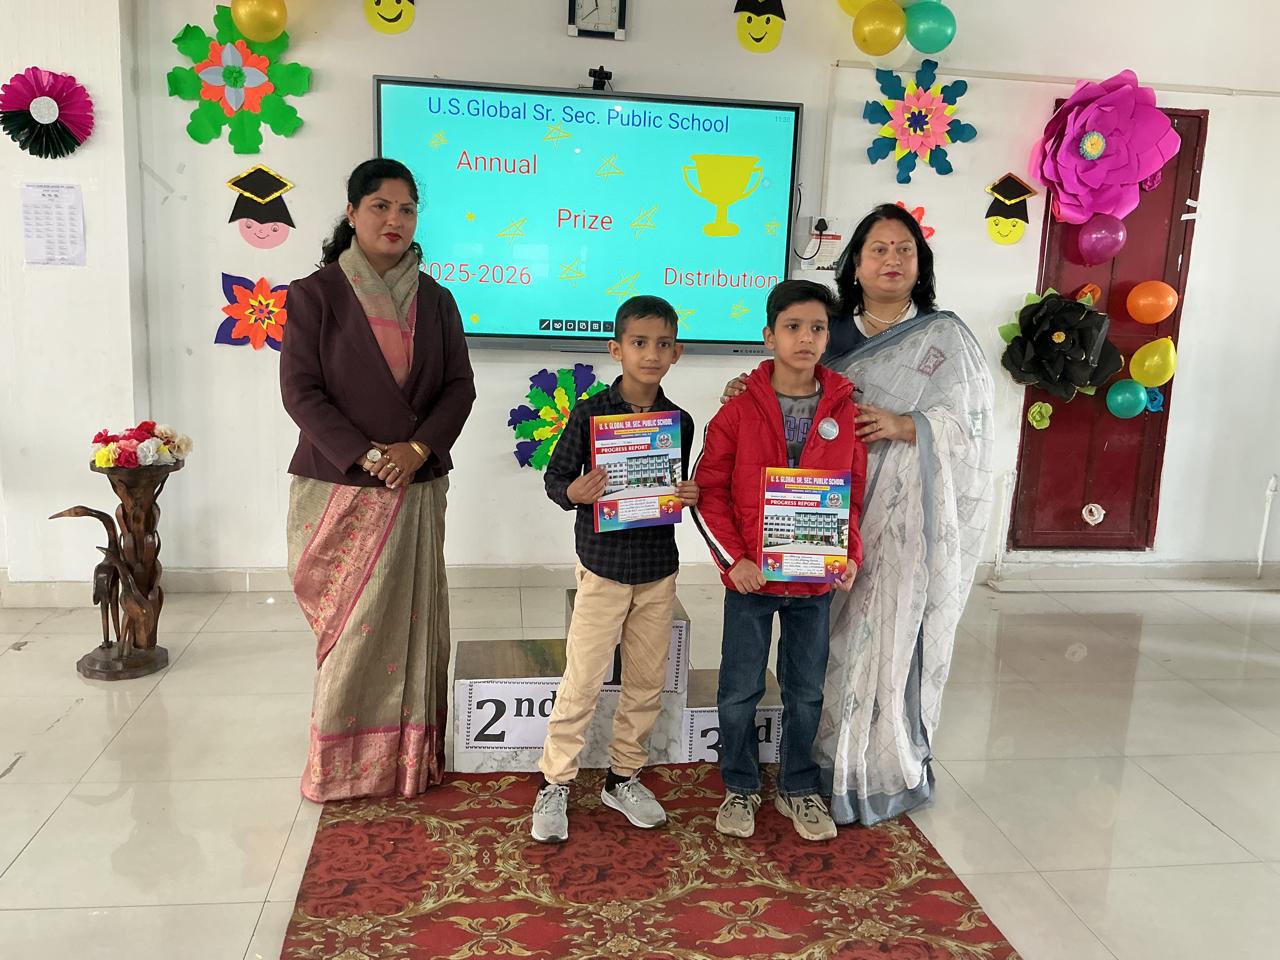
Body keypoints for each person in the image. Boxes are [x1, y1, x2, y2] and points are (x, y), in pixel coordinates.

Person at [720, 204, 995, 824]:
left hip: (898, 521)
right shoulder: (829, 332)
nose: (892, 259)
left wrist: (907, 425)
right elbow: (780, 389)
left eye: (905, 249)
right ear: (856, 263)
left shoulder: (944, 339)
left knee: (880, 637)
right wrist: (743, 389)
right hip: (812, 519)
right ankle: (814, 758)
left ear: (920, 262)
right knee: (820, 650)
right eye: (879, 249)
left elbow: (975, 427)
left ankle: (871, 762)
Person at [280, 158, 476, 802]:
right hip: (341, 485)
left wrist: (417, 449)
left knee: (412, 626)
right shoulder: (315, 295)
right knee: (351, 632)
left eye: (407, 209)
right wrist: (367, 456)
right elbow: (301, 393)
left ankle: (408, 759)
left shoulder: (438, 300)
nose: (395, 219)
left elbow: (459, 387)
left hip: (415, 485)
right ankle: (343, 764)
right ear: (352, 213)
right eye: (381, 207)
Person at [692, 280, 866, 841]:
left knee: (807, 692)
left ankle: (797, 787)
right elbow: (708, 492)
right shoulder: (737, 411)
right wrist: (734, 561)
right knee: (739, 690)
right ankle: (740, 785)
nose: (805, 338)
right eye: (793, 327)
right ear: (769, 336)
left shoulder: (844, 409)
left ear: (828, 338)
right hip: (751, 582)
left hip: (814, 586)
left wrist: (848, 553)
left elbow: (852, 496)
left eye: (817, 328)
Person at [530, 295, 700, 844]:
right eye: (639, 342)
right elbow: (556, 480)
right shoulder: (589, 414)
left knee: (646, 681)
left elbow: (671, 488)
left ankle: (623, 777)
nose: (651, 354)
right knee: (582, 678)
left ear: (676, 353)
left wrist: (689, 494)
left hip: (656, 568)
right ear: (616, 349)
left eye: (663, 344)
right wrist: (574, 493)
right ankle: (555, 781)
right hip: (602, 567)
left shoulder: (679, 422)